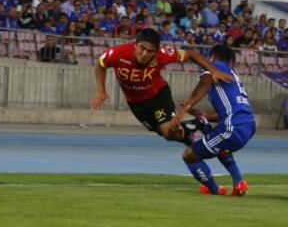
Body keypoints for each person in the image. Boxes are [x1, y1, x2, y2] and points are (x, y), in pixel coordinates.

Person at [90, 28, 232, 150]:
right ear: (135, 45)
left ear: (156, 51)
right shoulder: (117, 53)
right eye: (142, 48)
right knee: (168, 135)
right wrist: (101, 91)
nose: (145, 54)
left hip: (158, 97)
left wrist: (214, 71)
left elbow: (191, 54)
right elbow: (100, 66)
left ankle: (199, 123)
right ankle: (189, 137)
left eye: (150, 51)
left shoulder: (163, 54)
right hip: (136, 104)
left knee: (167, 131)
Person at [173, 44, 256, 196]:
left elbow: (205, 82)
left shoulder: (215, 66)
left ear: (212, 57)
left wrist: (186, 107)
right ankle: (239, 183)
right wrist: (198, 113)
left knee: (189, 155)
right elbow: (223, 112)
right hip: (247, 125)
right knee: (220, 146)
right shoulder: (234, 77)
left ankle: (214, 189)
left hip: (233, 127)